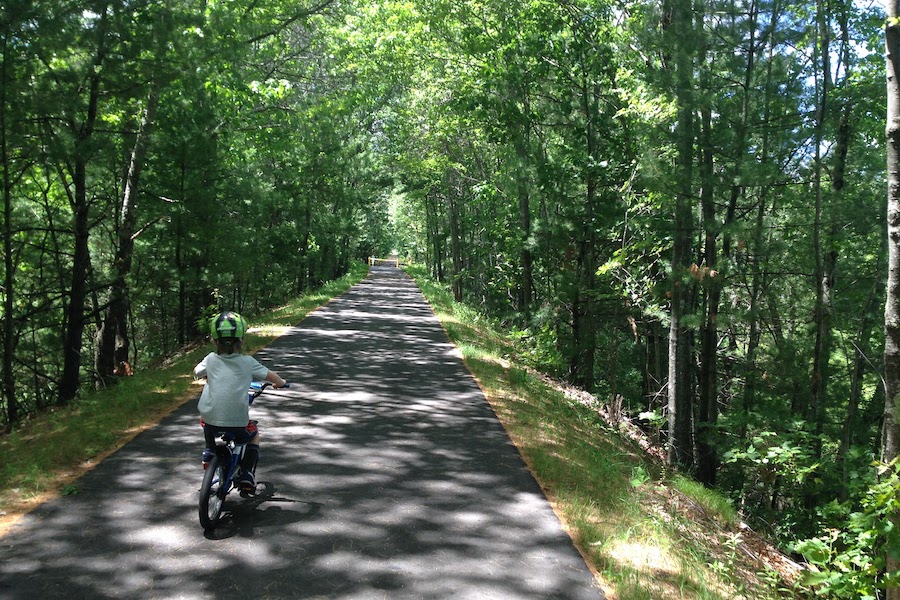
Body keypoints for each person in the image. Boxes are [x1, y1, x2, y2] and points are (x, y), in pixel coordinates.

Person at [194, 311, 286, 493]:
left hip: (209, 420)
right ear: (242, 340)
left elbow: (197, 372)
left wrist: (208, 373)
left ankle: (209, 451)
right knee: (253, 435)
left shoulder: (211, 359)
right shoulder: (247, 362)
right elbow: (271, 376)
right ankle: (246, 473)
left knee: (206, 422)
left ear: (215, 341)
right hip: (237, 423)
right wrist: (280, 383)